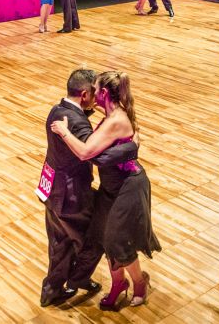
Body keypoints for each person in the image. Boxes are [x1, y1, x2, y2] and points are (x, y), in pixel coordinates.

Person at [50, 71, 161, 310]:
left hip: (128, 186)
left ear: (102, 94)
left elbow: (84, 152)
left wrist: (65, 131)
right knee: (104, 238)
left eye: (95, 88)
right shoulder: (111, 112)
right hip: (111, 186)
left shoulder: (116, 119)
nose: (90, 92)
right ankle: (118, 285)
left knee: (118, 242)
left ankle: (140, 283)